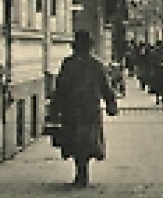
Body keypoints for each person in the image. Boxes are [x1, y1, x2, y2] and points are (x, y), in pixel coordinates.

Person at [49, 30, 119, 187]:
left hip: (72, 110)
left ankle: (81, 172)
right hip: (89, 109)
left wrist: (55, 109)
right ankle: (83, 171)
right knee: (86, 141)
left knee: (75, 141)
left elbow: (60, 88)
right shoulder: (96, 64)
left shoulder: (68, 64)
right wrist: (110, 104)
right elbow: (106, 87)